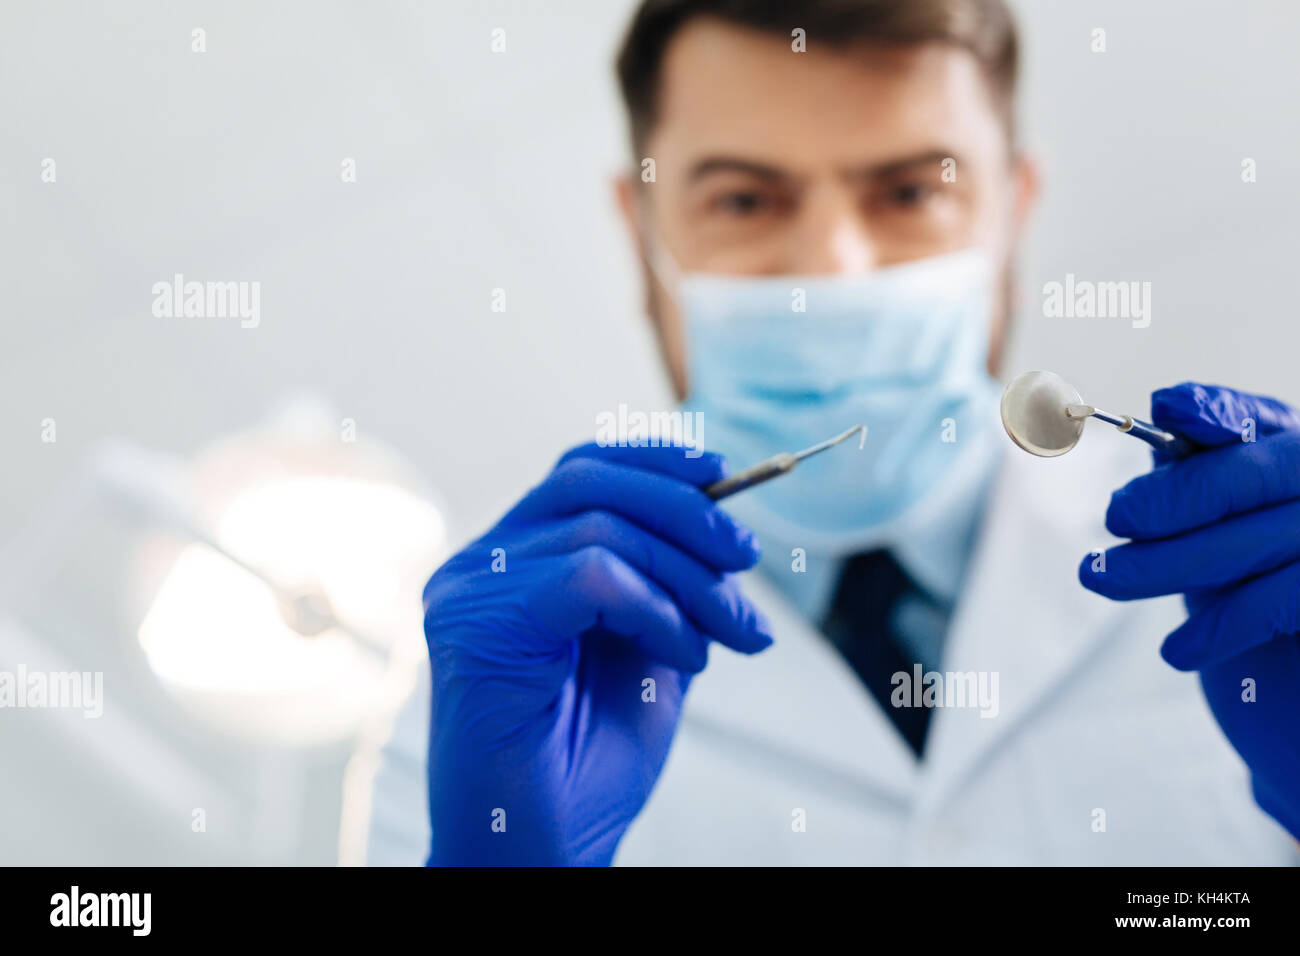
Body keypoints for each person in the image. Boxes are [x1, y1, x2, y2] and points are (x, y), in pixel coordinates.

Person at [366, 0, 1300, 865]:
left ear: (1014, 208)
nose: (832, 268)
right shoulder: (504, 700)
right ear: (638, 222)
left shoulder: (1249, 583)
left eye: (906, 193)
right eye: (744, 199)